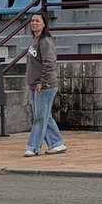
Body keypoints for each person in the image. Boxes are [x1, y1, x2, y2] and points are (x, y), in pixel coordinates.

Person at [23, 12, 66, 157]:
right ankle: (57, 143)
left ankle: (33, 147)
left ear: (44, 24)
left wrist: (44, 82)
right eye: (32, 21)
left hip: (45, 86)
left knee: (40, 117)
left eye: (37, 21)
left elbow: (49, 62)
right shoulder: (34, 40)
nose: (34, 23)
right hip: (34, 85)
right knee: (44, 116)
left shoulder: (45, 41)